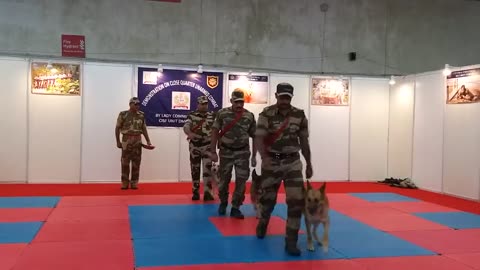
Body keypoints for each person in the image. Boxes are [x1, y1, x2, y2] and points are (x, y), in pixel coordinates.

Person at [254, 83, 313, 256]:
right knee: (268, 200)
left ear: (291, 97)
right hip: (271, 162)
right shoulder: (266, 114)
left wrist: (309, 163)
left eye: (287, 97)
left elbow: (304, 141)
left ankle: (291, 241)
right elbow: (259, 137)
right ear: (276, 96)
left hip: (293, 162)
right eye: (282, 97)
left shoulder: (299, 115)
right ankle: (263, 220)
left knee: (296, 202)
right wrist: (264, 158)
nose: (284, 101)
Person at [210, 90, 257, 219]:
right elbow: (214, 131)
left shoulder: (249, 116)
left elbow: (255, 136)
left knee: (241, 181)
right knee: (224, 180)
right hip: (226, 152)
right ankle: (223, 202)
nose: (239, 105)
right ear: (231, 101)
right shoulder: (222, 113)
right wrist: (213, 151)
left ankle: (236, 207)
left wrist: (254, 156)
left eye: (241, 102)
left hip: (243, 153)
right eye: (236, 102)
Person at [183, 96, 216, 201]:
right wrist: (189, 133)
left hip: (207, 146)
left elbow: (216, 129)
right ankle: (195, 192)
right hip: (195, 147)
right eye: (202, 104)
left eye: (205, 103)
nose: (204, 105)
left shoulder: (212, 116)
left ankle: (207, 192)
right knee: (195, 169)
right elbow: (186, 126)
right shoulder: (192, 115)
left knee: (207, 170)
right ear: (197, 104)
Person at [115, 97, 152, 190]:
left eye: (138, 104)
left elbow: (143, 129)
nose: (137, 106)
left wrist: (148, 141)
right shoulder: (123, 114)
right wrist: (118, 141)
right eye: (135, 104)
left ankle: (134, 182)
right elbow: (117, 128)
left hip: (137, 140)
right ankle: (125, 182)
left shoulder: (141, 115)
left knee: (136, 162)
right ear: (130, 104)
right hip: (126, 140)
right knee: (125, 162)